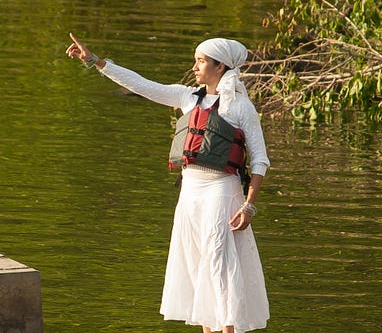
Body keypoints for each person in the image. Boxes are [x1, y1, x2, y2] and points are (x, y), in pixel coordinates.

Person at [66, 33, 270, 333]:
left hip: (221, 190)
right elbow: (143, 85)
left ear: (220, 67)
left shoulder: (240, 107)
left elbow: (261, 160)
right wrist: (96, 62)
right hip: (190, 193)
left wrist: (249, 205)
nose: (195, 66)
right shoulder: (188, 97)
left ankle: (229, 329)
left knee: (218, 261)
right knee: (198, 262)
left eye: (201, 61)